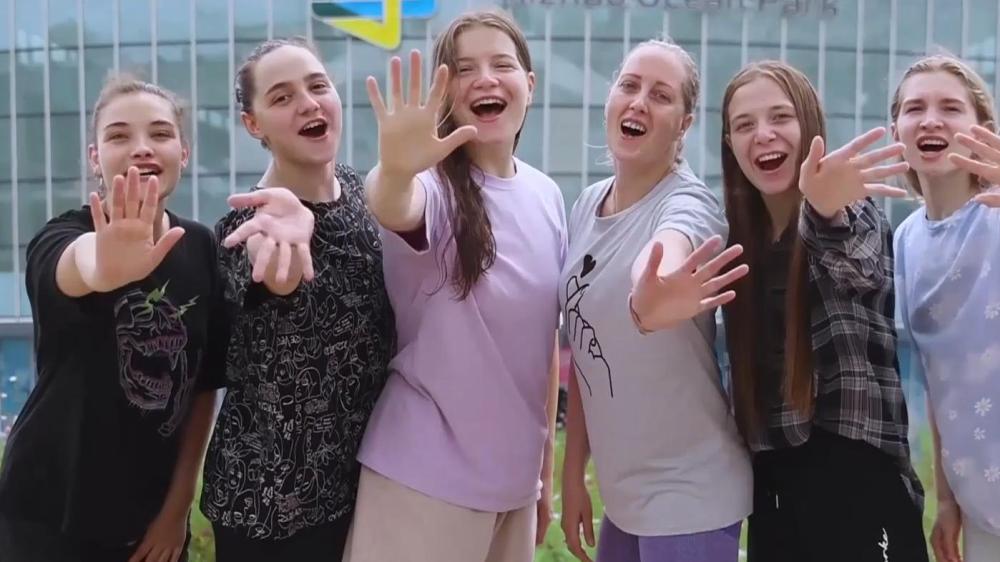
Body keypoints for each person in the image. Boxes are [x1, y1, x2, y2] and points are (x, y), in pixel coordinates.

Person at [0, 75, 299, 562]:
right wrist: (104, 265)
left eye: (160, 133)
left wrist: (177, 510)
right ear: (95, 157)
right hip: (47, 511)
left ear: (184, 153)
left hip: (148, 521)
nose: (142, 147)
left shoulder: (200, 246)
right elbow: (75, 267)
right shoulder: (61, 236)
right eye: (119, 135)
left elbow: (202, 388)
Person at [346, 10, 564, 562]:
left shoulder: (547, 195)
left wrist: (541, 475)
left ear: (530, 85)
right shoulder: (431, 187)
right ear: (445, 94)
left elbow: (543, 348)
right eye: (465, 69)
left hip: (512, 487)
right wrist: (395, 168)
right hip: (423, 483)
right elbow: (391, 202)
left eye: (501, 65)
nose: (485, 79)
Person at [719, 60, 928, 562]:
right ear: (729, 144)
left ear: (810, 124)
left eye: (780, 117)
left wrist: (824, 209)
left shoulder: (850, 208)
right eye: (744, 125)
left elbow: (860, 268)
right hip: (773, 487)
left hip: (857, 477)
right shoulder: (737, 239)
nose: (763, 135)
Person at [198, 37, 395, 562]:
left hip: (360, 488)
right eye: (282, 97)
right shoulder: (246, 228)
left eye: (317, 86)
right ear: (253, 124)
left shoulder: (361, 191)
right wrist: (283, 252)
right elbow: (274, 276)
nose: (308, 103)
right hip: (270, 508)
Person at [558, 38, 752, 562]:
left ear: (684, 124)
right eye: (630, 86)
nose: (639, 102)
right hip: (625, 501)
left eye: (661, 95)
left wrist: (654, 287)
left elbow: (668, 251)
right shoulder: (586, 206)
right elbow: (587, 353)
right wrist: (573, 474)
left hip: (692, 495)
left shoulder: (690, 203)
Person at [890, 54, 1000, 562]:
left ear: (983, 130)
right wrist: (949, 500)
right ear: (896, 131)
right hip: (981, 508)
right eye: (915, 108)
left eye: (950, 108)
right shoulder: (905, 241)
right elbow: (936, 381)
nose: (930, 120)